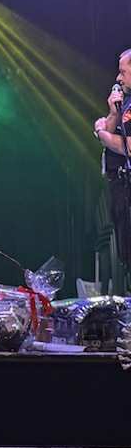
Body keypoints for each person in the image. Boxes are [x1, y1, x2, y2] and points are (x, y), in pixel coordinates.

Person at [93, 51, 131, 288]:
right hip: (120, 187)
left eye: (123, 72)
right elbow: (110, 127)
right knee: (125, 252)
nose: (118, 78)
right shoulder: (126, 100)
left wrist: (102, 134)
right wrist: (114, 113)